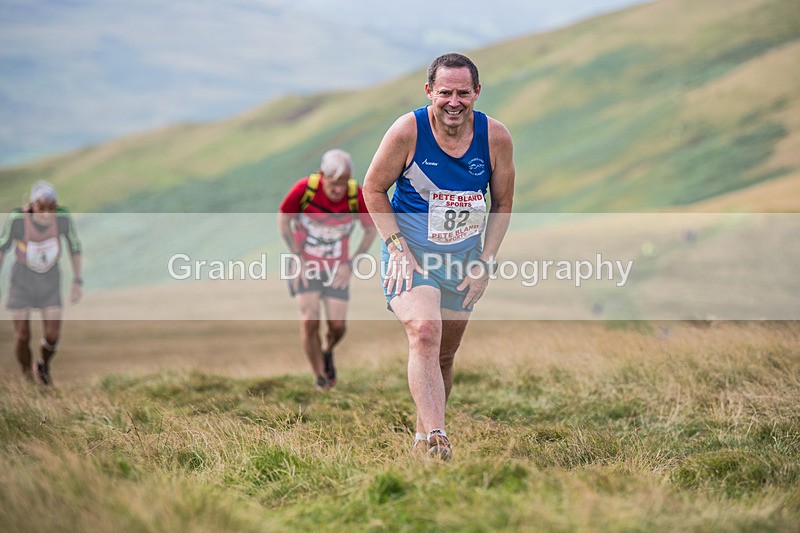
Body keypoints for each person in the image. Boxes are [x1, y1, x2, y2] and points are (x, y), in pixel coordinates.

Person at [363, 53, 515, 459]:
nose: (454, 101)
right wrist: (396, 247)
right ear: (429, 91)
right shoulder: (407, 131)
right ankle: (437, 437)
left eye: (463, 93)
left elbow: (502, 204)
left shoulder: (495, 137)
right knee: (425, 331)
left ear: (477, 93)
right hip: (410, 254)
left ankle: (420, 442)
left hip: (463, 260)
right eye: (444, 92)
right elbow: (372, 188)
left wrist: (486, 260)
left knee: (444, 356)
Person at [278, 149, 377, 390]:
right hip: (305, 264)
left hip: (337, 268)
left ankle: (327, 350)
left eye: (343, 184)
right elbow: (284, 218)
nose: (338, 190)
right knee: (310, 319)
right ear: (323, 175)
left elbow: (371, 229)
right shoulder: (305, 189)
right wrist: (298, 257)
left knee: (337, 326)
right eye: (334, 184)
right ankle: (320, 377)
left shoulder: (356, 195)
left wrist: (351, 263)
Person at [0, 180, 83, 385]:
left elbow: (74, 247)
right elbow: (2, 247)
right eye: (41, 208)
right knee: (22, 335)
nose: (46, 214)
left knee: (53, 335)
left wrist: (77, 281)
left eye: (51, 208)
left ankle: (43, 365)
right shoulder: (17, 219)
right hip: (22, 280)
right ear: (31, 205)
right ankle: (27, 375)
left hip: (50, 279)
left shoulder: (63, 218)